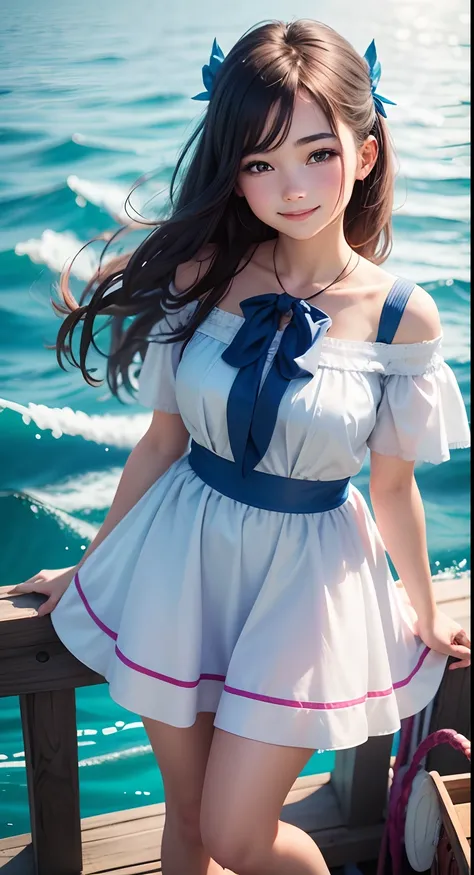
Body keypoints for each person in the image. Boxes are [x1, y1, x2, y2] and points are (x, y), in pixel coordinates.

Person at [9, 19, 471, 875]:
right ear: (234, 173)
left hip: (308, 580)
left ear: (364, 153)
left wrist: (427, 611)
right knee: (186, 821)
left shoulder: (402, 315)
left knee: (236, 833)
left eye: (315, 153)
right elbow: (161, 442)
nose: (290, 187)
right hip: (181, 558)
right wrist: (94, 562)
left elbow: (395, 487)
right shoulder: (202, 275)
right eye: (259, 164)